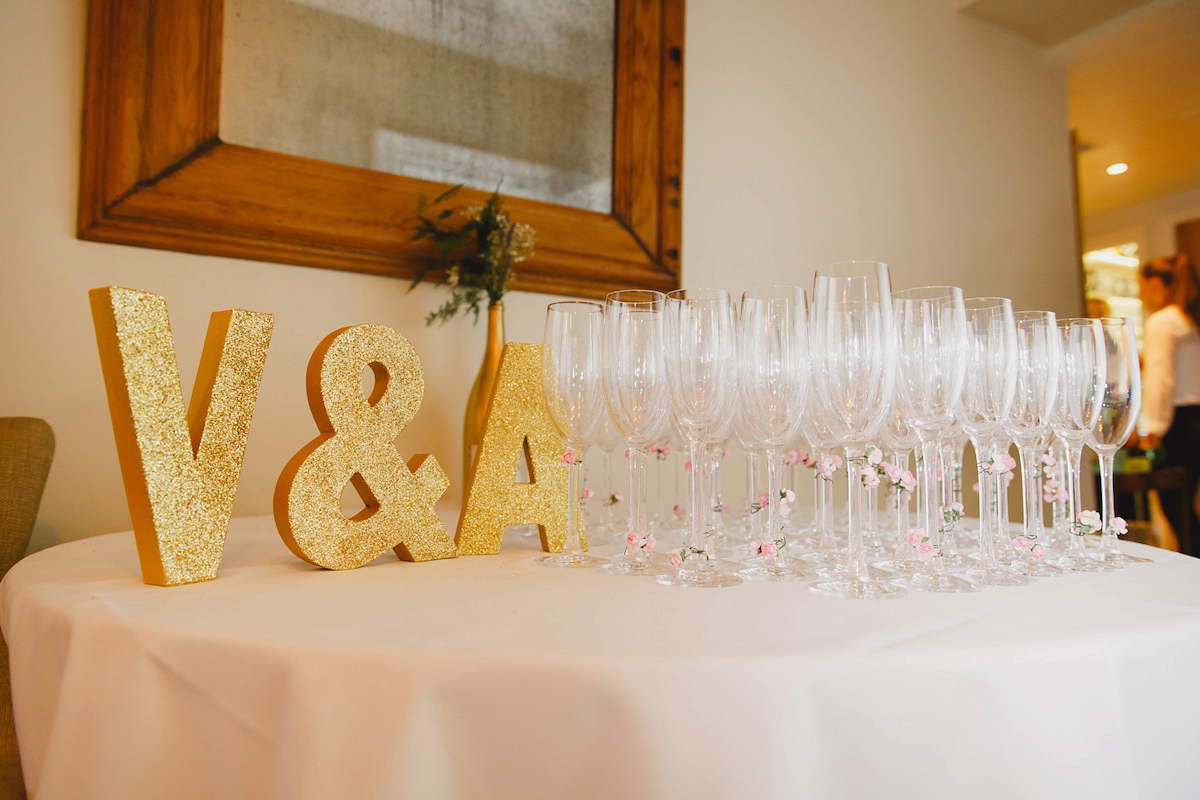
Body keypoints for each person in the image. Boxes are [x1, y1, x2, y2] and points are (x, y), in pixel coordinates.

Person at [1139, 254, 1200, 554]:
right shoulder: (1191, 319)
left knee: (1176, 506)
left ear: (1153, 284)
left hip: (1181, 425)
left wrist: (1155, 427)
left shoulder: (1163, 322)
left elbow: (1161, 377)